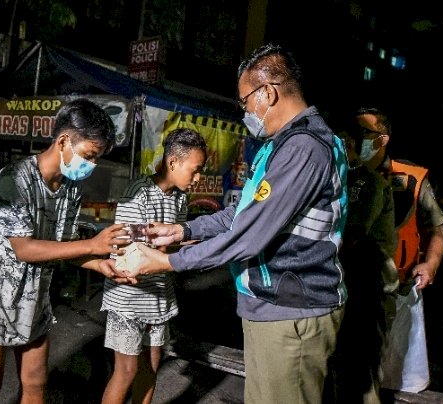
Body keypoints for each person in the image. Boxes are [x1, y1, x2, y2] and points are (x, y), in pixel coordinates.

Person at [103, 43, 349, 404]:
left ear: (268, 92)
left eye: (245, 101)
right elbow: (241, 214)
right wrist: (184, 230)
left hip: (291, 307)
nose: (245, 110)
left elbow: (247, 237)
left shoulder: (303, 148)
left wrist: (167, 261)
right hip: (276, 305)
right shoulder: (278, 147)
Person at [0, 98, 132, 404]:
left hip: (34, 300)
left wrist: (98, 263)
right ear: (64, 140)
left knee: (36, 383)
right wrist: (93, 244)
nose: (91, 165)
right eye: (89, 155)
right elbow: (24, 249)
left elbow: (62, 245)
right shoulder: (14, 179)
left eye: (97, 158)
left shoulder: (70, 187)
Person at [100, 128, 207, 404]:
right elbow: (129, 252)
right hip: (129, 297)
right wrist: (184, 247)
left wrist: (182, 246)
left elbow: (167, 244)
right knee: (126, 371)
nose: (198, 179)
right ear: (173, 163)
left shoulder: (180, 198)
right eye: (194, 171)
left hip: (158, 299)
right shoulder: (138, 194)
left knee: (150, 368)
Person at [355, 107, 443, 393]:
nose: (357, 140)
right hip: (345, 282)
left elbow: (436, 229)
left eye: (364, 133)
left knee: (381, 367)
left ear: (383, 139)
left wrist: (430, 264)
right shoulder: (344, 173)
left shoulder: (411, 177)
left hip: (394, 285)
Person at [326, 126, 397, 404]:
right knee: (337, 363)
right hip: (341, 284)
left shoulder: (369, 183)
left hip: (368, 287)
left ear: (350, 145)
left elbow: (353, 235)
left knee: (362, 368)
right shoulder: (335, 180)